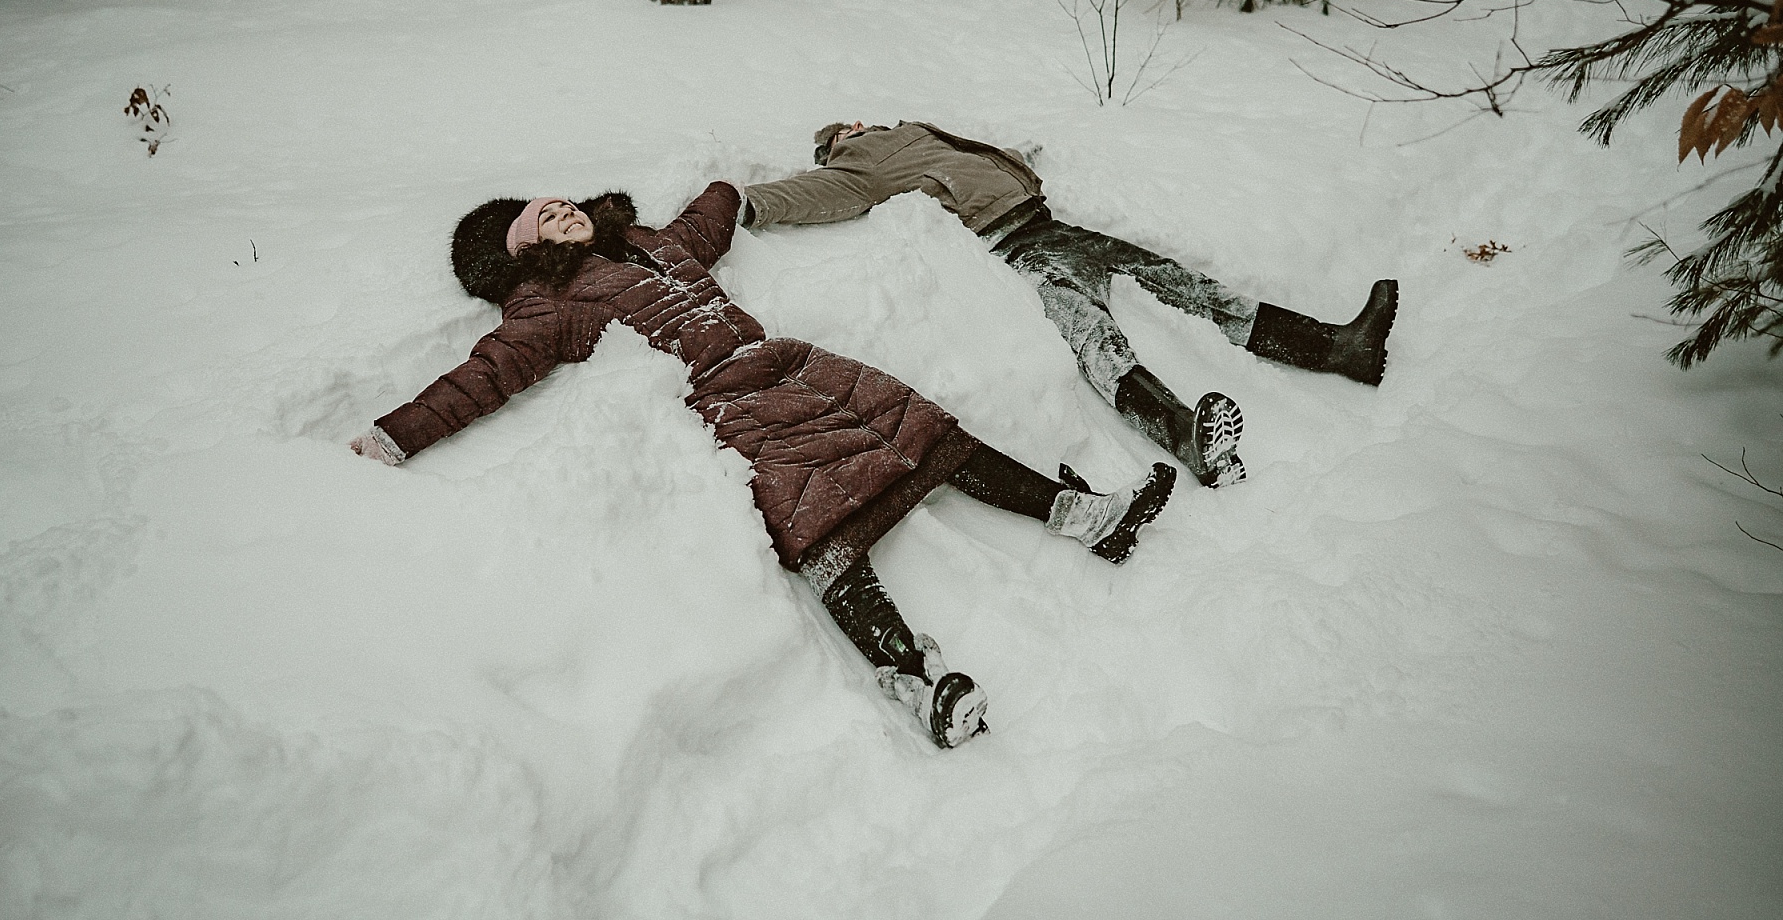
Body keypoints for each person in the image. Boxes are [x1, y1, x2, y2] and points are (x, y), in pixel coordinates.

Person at [350, 182, 1176, 749]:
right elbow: (484, 375)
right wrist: (395, 436)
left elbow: (708, 223)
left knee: (921, 427)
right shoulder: (547, 308)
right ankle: (916, 676)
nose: (562, 211)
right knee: (813, 520)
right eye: (545, 220)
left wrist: (729, 189)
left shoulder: (648, 241)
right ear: (528, 254)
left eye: (562, 202)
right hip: (723, 402)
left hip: (785, 358)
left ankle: (1083, 516)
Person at [741, 122, 1399, 487]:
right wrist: (746, 203)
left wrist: (1019, 156)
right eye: (845, 131)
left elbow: (970, 162)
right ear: (838, 145)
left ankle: (1339, 348)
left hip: (1048, 225)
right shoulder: (862, 161)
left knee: (1182, 282)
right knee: (1095, 343)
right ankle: (1186, 438)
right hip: (1017, 249)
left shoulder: (909, 136)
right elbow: (815, 194)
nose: (857, 124)